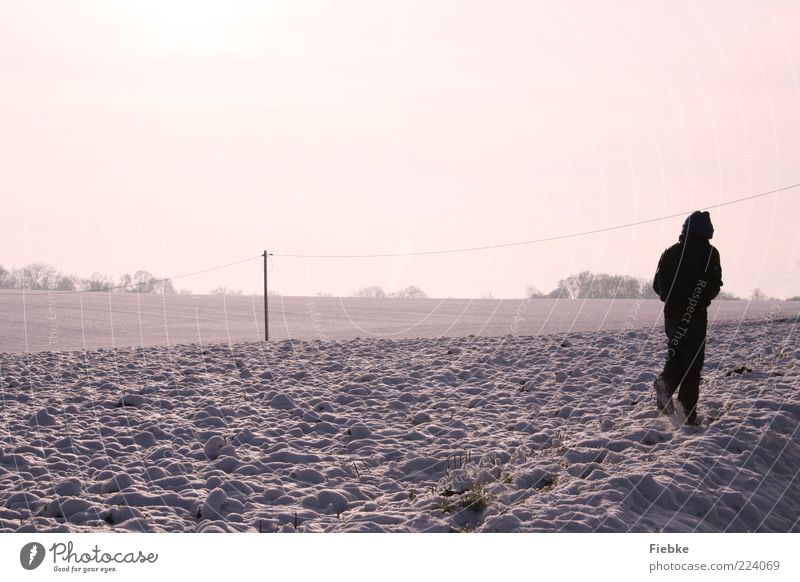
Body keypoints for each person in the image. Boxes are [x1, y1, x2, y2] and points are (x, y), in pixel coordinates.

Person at [652, 210, 723, 425]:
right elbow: (713, 284)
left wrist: (670, 298)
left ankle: (666, 383)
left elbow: (657, 285)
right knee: (692, 362)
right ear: (707, 232)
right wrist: (700, 300)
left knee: (676, 353)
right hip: (695, 316)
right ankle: (688, 411)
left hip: (672, 315)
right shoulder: (710, 253)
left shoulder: (670, 252)